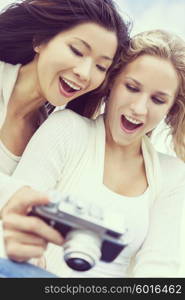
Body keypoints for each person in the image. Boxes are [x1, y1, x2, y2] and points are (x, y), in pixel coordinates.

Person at [1, 29, 185, 278]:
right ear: (112, 83)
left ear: (171, 108)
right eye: (131, 87)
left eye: (158, 99)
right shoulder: (67, 129)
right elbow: (19, 216)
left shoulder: (173, 175)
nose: (139, 109)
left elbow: (159, 270)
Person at [0, 0, 130, 232]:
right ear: (40, 41)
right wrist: (17, 196)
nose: (85, 73)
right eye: (77, 51)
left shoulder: (52, 134)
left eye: (101, 67)